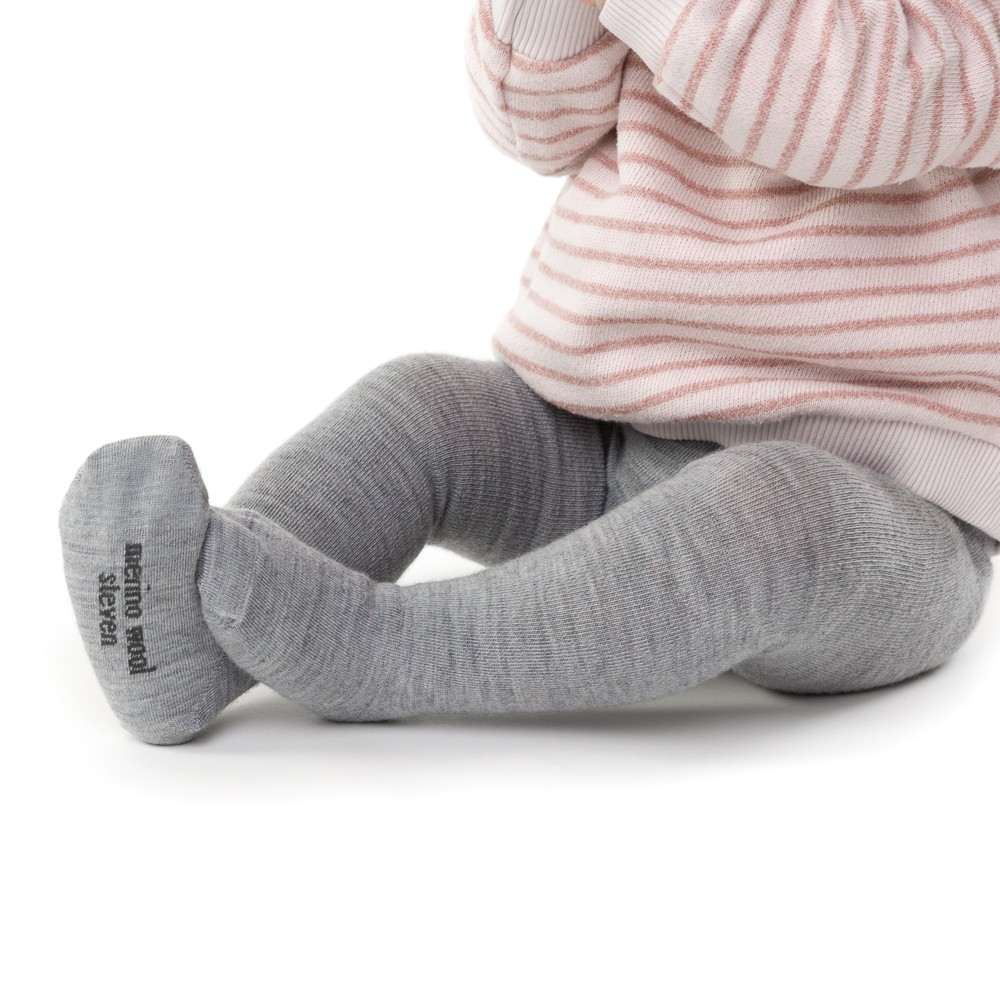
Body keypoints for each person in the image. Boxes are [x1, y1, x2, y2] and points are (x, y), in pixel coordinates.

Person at [59, 0, 1000, 744]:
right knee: (423, 408)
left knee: (763, 512)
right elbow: (533, 123)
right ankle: (176, 626)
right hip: (608, 435)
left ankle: (385, 652)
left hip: (889, 515)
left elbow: (859, 112)